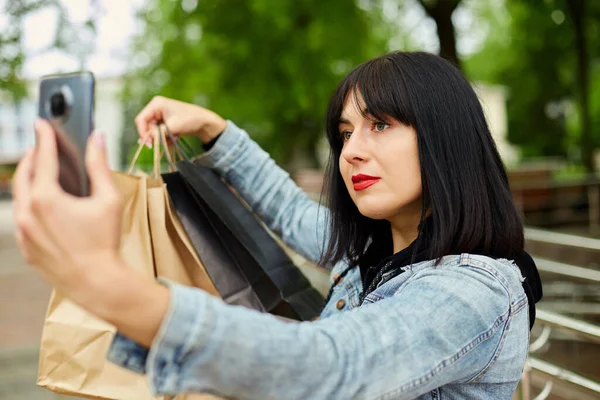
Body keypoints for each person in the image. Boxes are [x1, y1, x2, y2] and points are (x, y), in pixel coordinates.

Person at [13, 51, 542, 399]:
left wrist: (106, 283)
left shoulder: (471, 291)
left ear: (446, 138)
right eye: (345, 132)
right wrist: (213, 129)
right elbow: (290, 213)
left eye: (380, 125)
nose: (352, 151)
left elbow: (329, 367)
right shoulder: (375, 253)